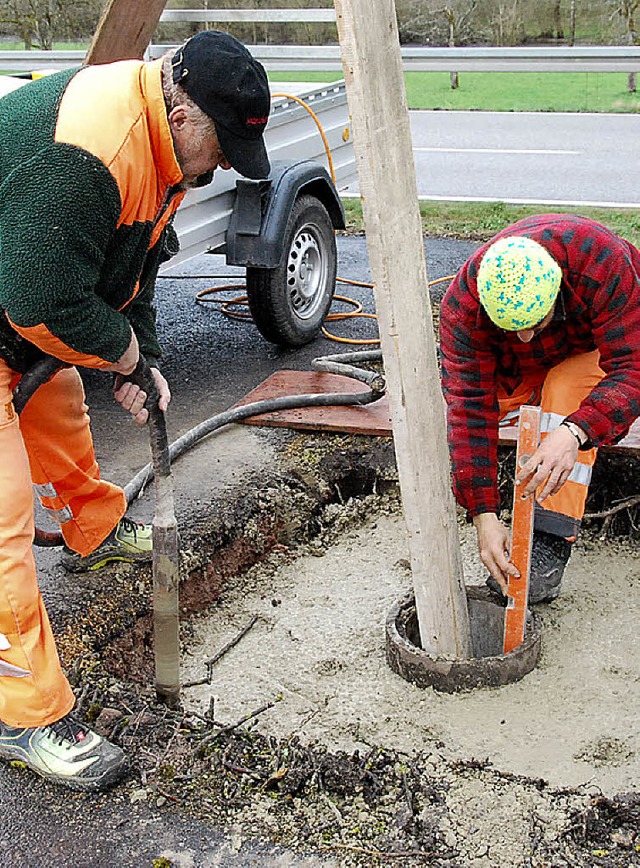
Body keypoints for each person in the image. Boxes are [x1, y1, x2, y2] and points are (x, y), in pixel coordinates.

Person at [0, 30, 270, 791]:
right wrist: (118, 353)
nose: (219, 169)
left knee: (56, 409)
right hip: (14, 302)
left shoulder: (159, 142)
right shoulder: (89, 153)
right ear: (185, 116)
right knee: (3, 518)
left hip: (14, 308)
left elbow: (134, 263)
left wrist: (140, 358)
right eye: (218, 149)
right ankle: (23, 716)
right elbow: (39, 301)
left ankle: (92, 525)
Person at [440, 214, 640, 604]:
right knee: (469, 412)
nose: (525, 335)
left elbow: (633, 368)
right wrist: (484, 515)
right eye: (512, 327)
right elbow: (468, 410)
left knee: (565, 393)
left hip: (596, 347)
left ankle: (550, 538)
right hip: (523, 363)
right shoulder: (463, 309)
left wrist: (574, 431)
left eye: (534, 322)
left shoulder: (602, 262)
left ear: (557, 291)